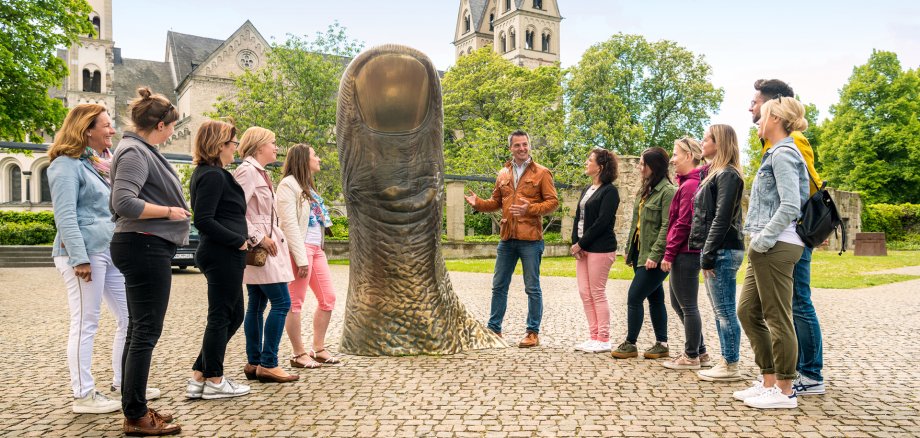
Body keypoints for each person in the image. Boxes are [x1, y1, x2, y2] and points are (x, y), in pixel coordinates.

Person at [110, 87, 187, 436]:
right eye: (171, 126)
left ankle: (135, 407)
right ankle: (136, 417)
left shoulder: (140, 149)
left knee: (138, 331)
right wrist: (171, 211)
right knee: (145, 333)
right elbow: (123, 202)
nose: (173, 132)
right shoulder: (134, 152)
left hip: (146, 245)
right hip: (144, 245)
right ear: (158, 124)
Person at [48, 104, 131, 414]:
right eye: (107, 126)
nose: (112, 131)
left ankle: (125, 381)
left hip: (108, 251)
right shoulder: (65, 166)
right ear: (87, 130)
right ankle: (83, 394)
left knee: (129, 316)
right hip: (83, 254)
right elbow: (66, 215)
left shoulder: (99, 164)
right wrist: (79, 258)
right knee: (86, 323)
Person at [733, 96, 810, 409]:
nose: (758, 120)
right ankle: (768, 380)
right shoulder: (773, 153)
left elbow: (791, 204)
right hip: (766, 244)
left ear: (776, 119)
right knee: (748, 311)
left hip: (778, 244)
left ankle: (785, 390)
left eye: (763, 115)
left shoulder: (784, 153)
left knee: (777, 317)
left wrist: (763, 239)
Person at [750, 79, 826, 396]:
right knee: (784, 305)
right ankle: (787, 375)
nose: (751, 107)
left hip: (790, 234)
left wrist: (800, 229)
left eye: (755, 102)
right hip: (782, 232)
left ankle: (809, 374)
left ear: (774, 107)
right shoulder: (773, 144)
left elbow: (804, 187)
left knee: (799, 303)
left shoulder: (793, 142)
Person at [464, 130, 559, 348]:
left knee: (532, 287)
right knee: (499, 285)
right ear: (511, 148)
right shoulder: (503, 173)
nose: (522, 148)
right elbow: (496, 202)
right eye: (517, 145)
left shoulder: (542, 173)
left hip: (531, 239)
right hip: (506, 239)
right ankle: (494, 329)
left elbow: (553, 202)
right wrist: (478, 203)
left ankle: (532, 332)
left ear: (529, 146)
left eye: (525, 144)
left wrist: (530, 209)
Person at [186, 120, 257, 398]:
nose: (235, 148)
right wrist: (238, 240)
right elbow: (203, 219)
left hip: (225, 254)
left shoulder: (214, 173)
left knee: (233, 314)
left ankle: (199, 375)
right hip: (222, 254)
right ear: (219, 146)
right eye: (232, 143)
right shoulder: (212, 175)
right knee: (220, 317)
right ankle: (214, 380)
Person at [233, 127, 298, 373]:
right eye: (273, 142)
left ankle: (254, 362)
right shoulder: (247, 172)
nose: (276, 147)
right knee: (282, 303)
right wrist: (259, 237)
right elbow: (236, 211)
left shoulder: (258, 173)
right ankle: (268, 363)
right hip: (262, 247)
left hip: (266, 245)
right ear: (260, 146)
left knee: (257, 304)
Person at [277, 144, 341, 367]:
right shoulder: (288, 185)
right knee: (295, 302)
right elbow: (289, 224)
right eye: (315, 155)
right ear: (304, 159)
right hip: (300, 249)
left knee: (328, 298)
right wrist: (300, 257)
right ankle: (298, 353)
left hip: (316, 249)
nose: (319, 158)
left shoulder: (308, 187)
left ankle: (318, 348)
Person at [691, 125, 747, 382]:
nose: (702, 143)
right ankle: (726, 360)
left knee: (724, 310)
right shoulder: (716, 173)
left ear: (720, 142)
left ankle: (731, 363)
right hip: (717, 248)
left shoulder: (728, 175)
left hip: (723, 248)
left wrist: (708, 253)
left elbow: (721, 218)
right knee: (720, 310)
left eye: (706, 139)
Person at [611, 147, 675, 360]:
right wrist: (630, 251)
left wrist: (656, 255)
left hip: (654, 255)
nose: (639, 168)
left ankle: (630, 343)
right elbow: (635, 225)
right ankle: (662, 344)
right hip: (641, 252)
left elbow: (667, 226)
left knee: (634, 296)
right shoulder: (644, 190)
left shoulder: (668, 192)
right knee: (656, 298)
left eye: (642, 164)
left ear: (653, 166)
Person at [660, 137, 708, 370]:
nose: (672, 159)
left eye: (676, 154)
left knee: (687, 305)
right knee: (679, 304)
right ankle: (700, 351)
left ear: (689, 156)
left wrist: (669, 254)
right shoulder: (687, 183)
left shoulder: (690, 186)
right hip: (684, 251)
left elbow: (683, 223)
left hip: (686, 252)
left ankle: (691, 356)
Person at [570, 148, 620, 354]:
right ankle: (593, 337)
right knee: (584, 293)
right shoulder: (587, 189)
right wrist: (576, 242)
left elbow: (602, 222)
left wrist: (582, 243)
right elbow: (577, 218)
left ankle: (604, 338)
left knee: (597, 292)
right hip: (583, 248)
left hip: (600, 248)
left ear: (600, 166)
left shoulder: (610, 191)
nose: (586, 163)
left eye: (589, 160)